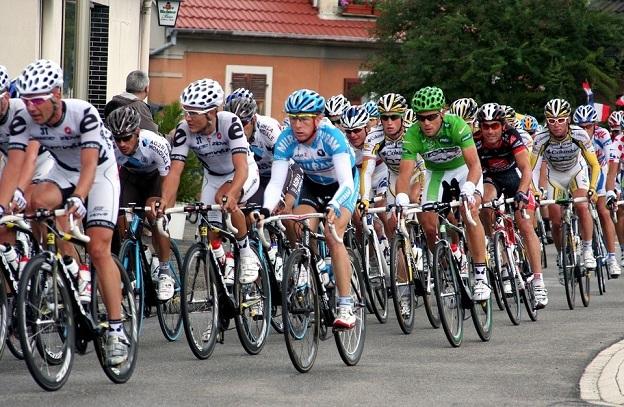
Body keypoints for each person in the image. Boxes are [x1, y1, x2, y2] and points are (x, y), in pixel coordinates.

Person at [0, 59, 127, 365]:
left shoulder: (82, 113)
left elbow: (89, 165)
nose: (31, 108)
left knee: (98, 248)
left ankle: (116, 329)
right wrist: (10, 199)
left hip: (99, 174)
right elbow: (22, 161)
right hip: (62, 171)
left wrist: (80, 197)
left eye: (38, 100)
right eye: (27, 101)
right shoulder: (25, 119)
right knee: (36, 203)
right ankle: (67, 266)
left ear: (56, 94)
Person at [261, 89, 359, 329]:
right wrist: (264, 210)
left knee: (333, 233)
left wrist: (335, 204)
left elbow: (346, 182)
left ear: (317, 119)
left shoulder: (332, 136)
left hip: (341, 187)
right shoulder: (286, 139)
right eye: (293, 118)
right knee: (294, 222)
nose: (297, 125)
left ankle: (346, 305)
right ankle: (310, 263)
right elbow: (276, 183)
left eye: (303, 119)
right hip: (312, 185)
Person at [152, 78, 260, 285]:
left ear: (211, 113)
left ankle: (246, 255)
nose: (187, 118)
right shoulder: (184, 130)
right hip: (212, 177)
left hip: (241, 172)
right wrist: (165, 200)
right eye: (185, 112)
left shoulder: (230, 123)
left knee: (226, 198)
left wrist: (234, 191)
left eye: (193, 113)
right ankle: (224, 263)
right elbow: (175, 172)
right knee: (210, 231)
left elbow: (242, 167)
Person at [397, 86, 490, 301]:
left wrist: (469, 188)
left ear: (442, 112)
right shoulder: (413, 133)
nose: (426, 123)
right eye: (421, 118)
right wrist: (401, 196)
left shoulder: (456, 125)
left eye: (431, 117)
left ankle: (480, 274)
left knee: (470, 213)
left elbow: (475, 164)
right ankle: (447, 271)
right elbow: (404, 174)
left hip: (463, 170)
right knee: (428, 225)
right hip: (436, 173)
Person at [474, 103, 548, 308]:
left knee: (524, 223)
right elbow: (473, 171)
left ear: (502, 125)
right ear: (480, 126)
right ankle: (494, 242)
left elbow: (526, 169)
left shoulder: (512, 136)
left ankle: (539, 281)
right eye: (486, 126)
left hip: (514, 176)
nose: (490, 131)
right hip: (491, 178)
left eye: (494, 126)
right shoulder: (476, 140)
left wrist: (523, 193)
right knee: (485, 203)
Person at [105, 106, 175, 298]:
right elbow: (109, 178)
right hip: (132, 177)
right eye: (118, 139)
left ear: (137, 133)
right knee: (122, 218)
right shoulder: (110, 145)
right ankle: (137, 257)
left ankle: (164, 271)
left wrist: (163, 203)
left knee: (156, 217)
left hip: (157, 178)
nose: (122, 144)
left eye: (126, 138)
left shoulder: (154, 143)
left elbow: (169, 179)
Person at [531, 98, 600, 282]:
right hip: (555, 176)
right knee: (555, 220)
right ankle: (562, 256)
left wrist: (592, 188)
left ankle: (587, 249)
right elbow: (533, 169)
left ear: (568, 119)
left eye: (561, 120)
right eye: (551, 120)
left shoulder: (579, 134)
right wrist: (536, 190)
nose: (556, 125)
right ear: (546, 121)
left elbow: (594, 164)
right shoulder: (541, 138)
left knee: (582, 206)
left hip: (576, 171)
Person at [223, 88, 302, 213]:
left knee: (282, 210)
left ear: (253, 119)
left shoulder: (268, 127)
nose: (238, 128)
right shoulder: (227, 132)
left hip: (285, 170)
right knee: (247, 211)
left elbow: (284, 162)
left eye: (243, 123)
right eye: (234, 124)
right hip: (259, 176)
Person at [572, 105, 621, 277]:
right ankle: (585, 246)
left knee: (603, 211)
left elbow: (612, 160)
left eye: (588, 126)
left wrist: (610, 189)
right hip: (581, 173)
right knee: (580, 207)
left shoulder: (603, 134)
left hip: (600, 170)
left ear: (595, 125)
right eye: (581, 126)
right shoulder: (571, 136)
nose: (584, 130)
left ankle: (612, 257)